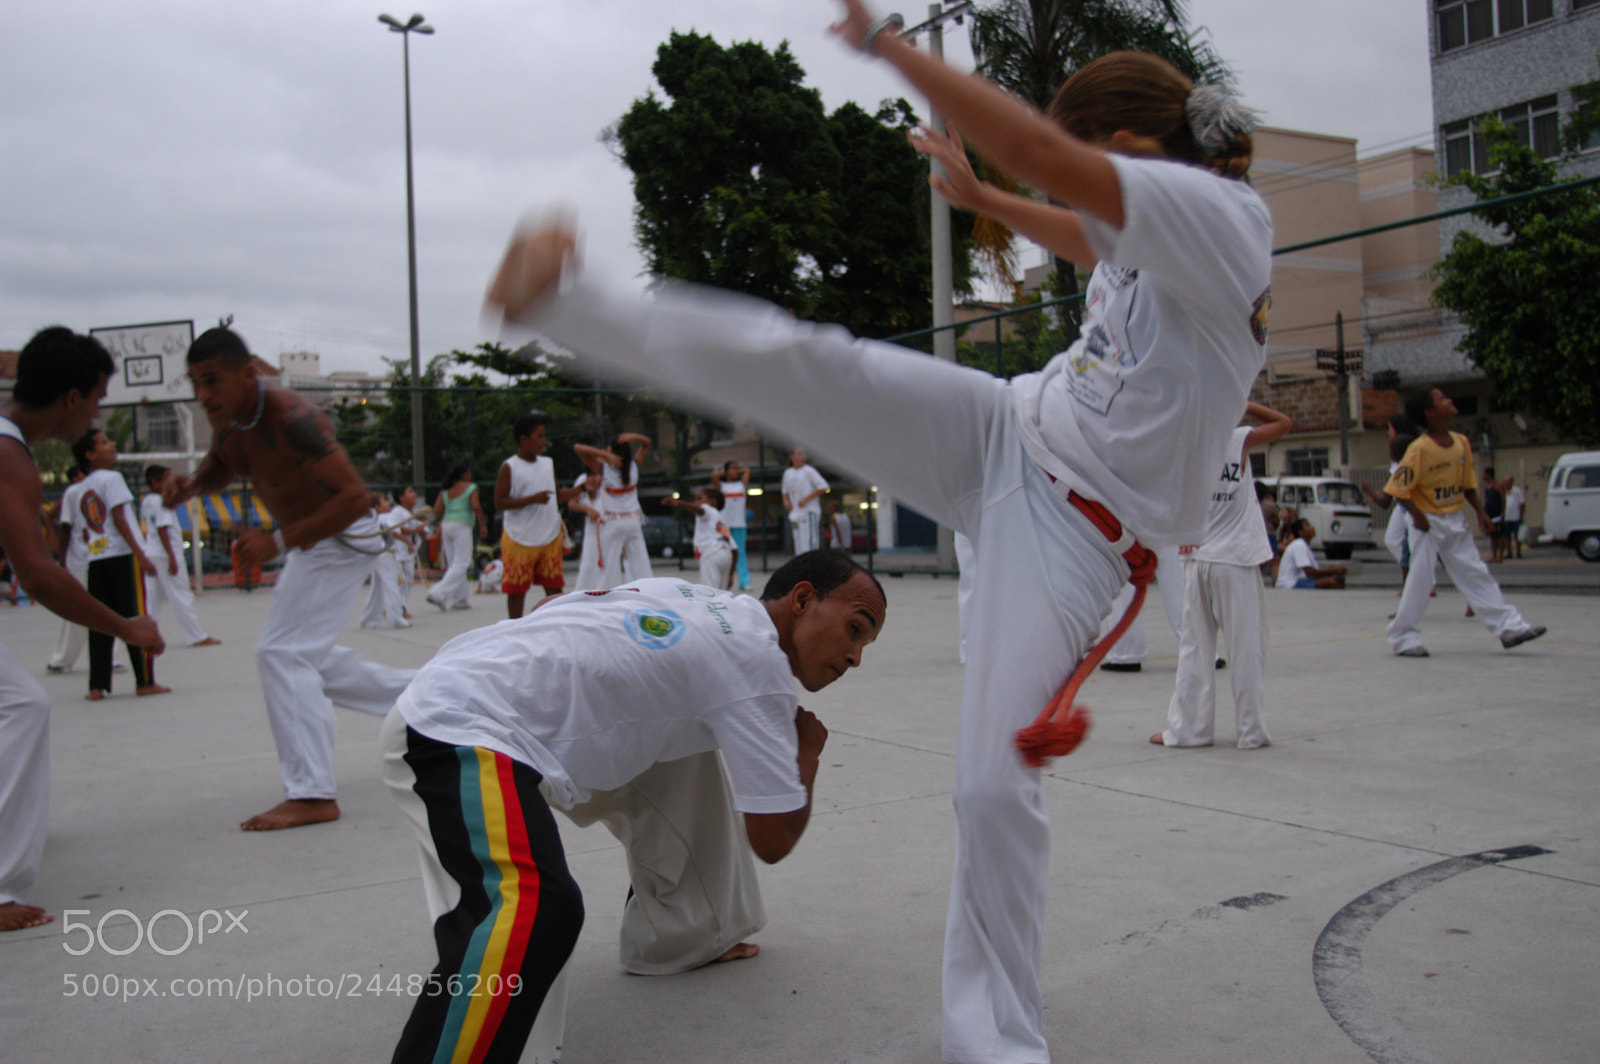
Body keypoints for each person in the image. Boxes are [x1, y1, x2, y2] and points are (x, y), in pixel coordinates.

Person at [484, 5, 1271, 1057]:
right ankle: (566, 301)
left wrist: (889, 50)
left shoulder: (1222, 224)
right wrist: (981, 194)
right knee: (816, 364)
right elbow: (1083, 225)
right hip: (1010, 429)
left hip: (1077, 536)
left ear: (1129, 151)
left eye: (1067, 165)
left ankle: (994, 1042)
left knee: (991, 788)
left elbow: (1046, 156)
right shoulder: (1155, 222)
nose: (1049, 184)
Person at [380, 551, 884, 1063]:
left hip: (477, 679)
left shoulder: (695, 597)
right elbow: (773, 839)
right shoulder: (757, 671)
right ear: (802, 599)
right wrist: (805, 753)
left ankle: (689, 932)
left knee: (686, 750)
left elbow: (554, 604)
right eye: (855, 629)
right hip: (456, 728)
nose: (855, 656)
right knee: (532, 910)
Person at [165, 326, 415, 830]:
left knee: (283, 654)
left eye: (212, 381)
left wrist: (276, 543)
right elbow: (220, 465)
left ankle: (312, 793)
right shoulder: (233, 420)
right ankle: (427, 699)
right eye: (196, 384)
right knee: (306, 658)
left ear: (248, 373)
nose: (203, 395)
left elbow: (354, 499)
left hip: (342, 539)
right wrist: (191, 486)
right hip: (312, 543)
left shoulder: (293, 418)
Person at [0, 326, 165, 932]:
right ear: (72, 397)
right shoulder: (8, 453)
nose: (98, 414)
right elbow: (39, 575)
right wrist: (126, 626)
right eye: (97, 399)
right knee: (21, 706)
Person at [1153, 402, 1292, 750]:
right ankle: (1251, 731)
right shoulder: (1237, 439)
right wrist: (1245, 403)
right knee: (1245, 649)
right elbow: (1285, 423)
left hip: (1197, 559)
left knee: (1194, 649)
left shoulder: (1184, 448)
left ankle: (1187, 731)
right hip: (1234, 561)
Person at [1383, 388, 1546, 657]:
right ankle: (1403, 637)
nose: (1449, 400)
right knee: (1421, 579)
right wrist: (1419, 518)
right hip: (1427, 522)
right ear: (1430, 412)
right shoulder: (1419, 449)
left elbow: (1467, 485)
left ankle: (1509, 627)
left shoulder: (1461, 442)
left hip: (1454, 518)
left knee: (1475, 572)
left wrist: (1481, 513)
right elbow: (1398, 489)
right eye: (1441, 399)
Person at [73, 429, 168, 699]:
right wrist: (140, 553)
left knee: (101, 621)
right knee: (136, 616)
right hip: (121, 557)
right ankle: (145, 681)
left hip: (97, 557)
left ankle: (96, 685)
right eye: (103, 443)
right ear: (90, 455)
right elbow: (118, 517)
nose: (111, 444)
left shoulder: (82, 487)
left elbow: (85, 529)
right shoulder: (112, 478)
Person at [139, 465, 221, 648]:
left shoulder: (147, 501)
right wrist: (172, 558)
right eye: (167, 480)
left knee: (152, 599)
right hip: (167, 553)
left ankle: (145, 634)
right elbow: (162, 529)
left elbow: (151, 526)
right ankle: (195, 636)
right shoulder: (162, 501)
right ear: (155, 482)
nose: (172, 484)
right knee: (181, 594)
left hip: (151, 552)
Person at [494, 414, 566, 618]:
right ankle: (516, 629)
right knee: (516, 591)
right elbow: (499, 502)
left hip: (549, 536)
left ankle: (557, 626)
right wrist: (532, 499)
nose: (545, 441)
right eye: (540, 436)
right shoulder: (510, 467)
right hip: (520, 538)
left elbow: (558, 497)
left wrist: (583, 488)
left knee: (554, 589)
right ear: (524, 439)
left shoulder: (547, 464)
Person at [575, 433, 654, 587]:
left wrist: (603, 455)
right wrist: (634, 437)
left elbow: (578, 448)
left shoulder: (604, 468)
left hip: (613, 522)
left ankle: (606, 600)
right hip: (633, 521)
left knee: (609, 570)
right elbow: (647, 443)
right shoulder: (634, 467)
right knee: (642, 567)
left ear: (611, 451)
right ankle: (651, 595)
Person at [45, 465, 91, 674]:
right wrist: (61, 558)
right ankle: (62, 658)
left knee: (108, 604)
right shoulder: (73, 493)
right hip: (78, 558)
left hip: (99, 555)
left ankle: (111, 657)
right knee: (77, 607)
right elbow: (63, 524)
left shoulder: (104, 485)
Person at [427, 464, 485, 611]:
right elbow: (476, 506)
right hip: (462, 525)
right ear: (464, 474)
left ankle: (460, 600)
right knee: (462, 563)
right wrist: (483, 525)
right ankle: (438, 593)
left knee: (454, 564)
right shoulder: (470, 487)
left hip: (447, 525)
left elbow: (437, 510)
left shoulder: (446, 489)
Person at [665, 486, 737, 590]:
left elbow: (700, 510)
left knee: (709, 593)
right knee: (722, 594)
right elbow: (734, 549)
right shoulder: (720, 521)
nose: (696, 502)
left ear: (713, 502)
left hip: (711, 553)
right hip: (726, 554)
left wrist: (679, 503)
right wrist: (731, 575)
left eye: (699, 499)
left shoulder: (707, 510)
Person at [359, 494, 412, 629]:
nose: (388, 503)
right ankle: (396, 618)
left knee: (376, 587)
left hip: (378, 554)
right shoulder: (386, 518)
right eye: (384, 501)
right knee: (392, 585)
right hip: (386, 553)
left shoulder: (373, 519)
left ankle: (368, 619)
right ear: (377, 507)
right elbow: (394, 532)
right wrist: (407, 541)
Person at [712, 460, 753, 589]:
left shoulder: (741, 485)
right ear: (726, 472)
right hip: (725, 526)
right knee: (725, 552)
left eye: (737, 468)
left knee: (741, 552)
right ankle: (724, 581)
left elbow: (747, 470)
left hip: (740, 524)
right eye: (733, 468)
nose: (736, 471)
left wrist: (737, 470)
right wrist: (725, 473)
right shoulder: (722, 487)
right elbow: (714, 476)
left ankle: (745, 582)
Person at [781, 446, 829, 555]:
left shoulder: (809, 471)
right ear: (792, 457)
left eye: (804, 454)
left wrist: (806, 499)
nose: (802, 457)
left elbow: (823, 487)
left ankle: (811, 568)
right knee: (799, 546)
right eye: (799, 454)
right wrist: (786, 501)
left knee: (809, 544)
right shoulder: (788, 473)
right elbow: (785, 491)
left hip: (808, 512)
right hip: (795, 514)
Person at [1274, 519, 1346, 589]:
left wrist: (1333, 572)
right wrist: (1334, 571)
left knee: (1335, 580)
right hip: (1290, 584)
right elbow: (1309, 572)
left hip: (1299, 581)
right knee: (1331, 582)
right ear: (1300, 532)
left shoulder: (1304, 545)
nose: (1312, 527)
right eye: (1307, 525)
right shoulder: (1299, 544)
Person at [567, 470, 605, 590]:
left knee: (607, 565)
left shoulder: (609, 477)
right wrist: (588, 510)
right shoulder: (583, 479)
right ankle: (582, 593)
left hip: (609, 524)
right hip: (593, 527)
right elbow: (572, 503)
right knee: (588, 564)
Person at [1482, 465, 1506, 563]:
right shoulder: (1487, 487)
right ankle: (1494, 555)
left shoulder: (1498, 485)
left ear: (1488, 474)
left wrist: (1503, 512)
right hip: (1489, 514)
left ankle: (1500, 555)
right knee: (1492, 536)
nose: (1483, 476)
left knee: (1499, 535)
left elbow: (1504, 499)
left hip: (1497, 514)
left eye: (1484, 474)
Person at [1502, 474, 1525, 559]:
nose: (1507, 484)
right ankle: (1509, 552)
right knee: (1507, 536)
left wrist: (1521, 515)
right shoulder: (1502, 491)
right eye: (1506, 482)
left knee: (1517, 536)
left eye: (1509, 482)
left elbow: (1522, 503)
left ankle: (1518, 552)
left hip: (1515, 517)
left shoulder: (1517, 491)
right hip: (1506, 518)